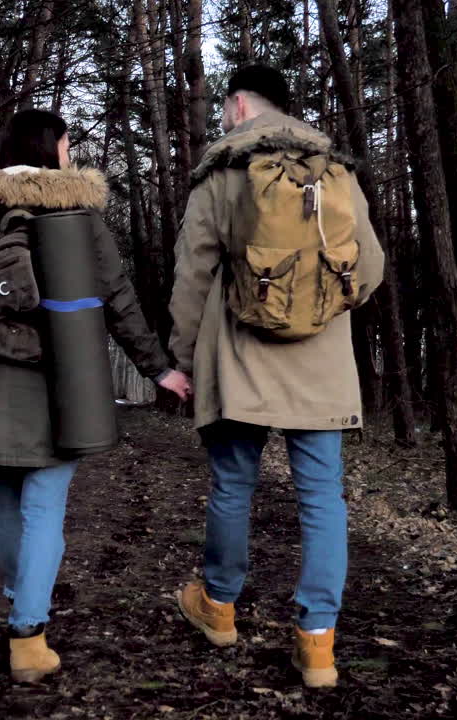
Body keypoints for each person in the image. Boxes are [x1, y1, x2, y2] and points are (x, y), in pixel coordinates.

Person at [0, 109, 191, 684]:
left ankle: (19, 594)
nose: (72, 153)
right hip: (63, 381)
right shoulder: (79, 212)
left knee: (6, 503)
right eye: (68, 144)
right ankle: (27, 634)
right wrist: (159, 369)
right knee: (45, 507)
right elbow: (117, 299)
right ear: (55, 148)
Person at [168, 65, 385, 688]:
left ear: (238, 106)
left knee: (233, 486)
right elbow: (368, 267)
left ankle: (219, 609)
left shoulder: (224, 169)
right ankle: (318, 643)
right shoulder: (333, 169)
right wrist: (319, 311)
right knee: (322, 498)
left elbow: (192, 274)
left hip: (239, 360)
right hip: (322, 364)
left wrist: (185, 357)